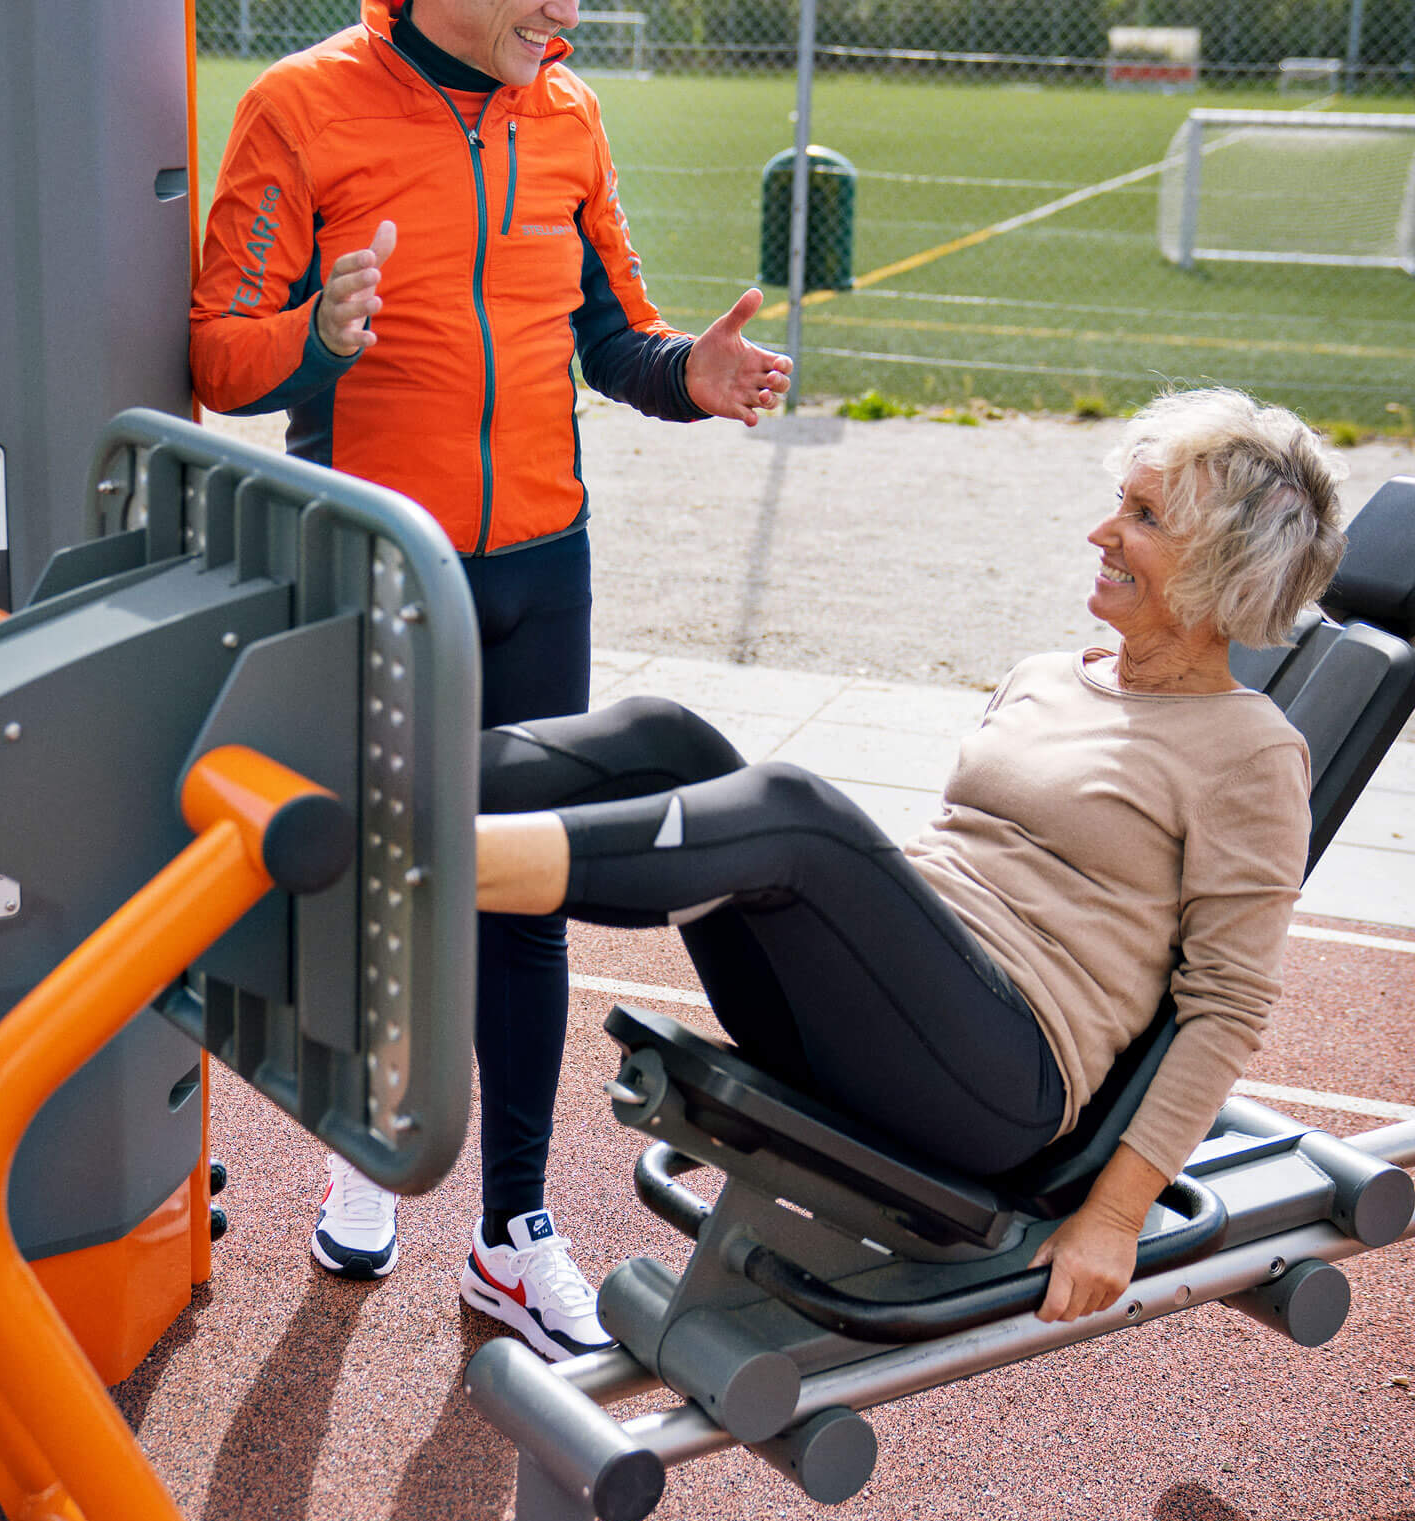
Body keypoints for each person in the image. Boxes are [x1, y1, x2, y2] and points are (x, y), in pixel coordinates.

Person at [190, 0, 791, 1360]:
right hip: (370, 573)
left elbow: (616, 341)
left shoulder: (568, 116)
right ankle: (368, 1139)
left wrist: (692, 377)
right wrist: (320, 339)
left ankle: (515, 1234)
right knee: (365, 874)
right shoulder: (300, 107)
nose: (566, 9)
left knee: (526, 891)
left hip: (541, 571)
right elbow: (219, 358)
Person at [472, 389, 1345, 1324]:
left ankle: (443, 865)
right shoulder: (1047, 676)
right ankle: (396, 796)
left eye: (1144, 517)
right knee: (665, 737)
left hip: (995, 1082)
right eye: (1118, 503)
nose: (1102, 531)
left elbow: (1226, 1007)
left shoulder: (1253, 753)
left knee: (794, 815)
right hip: (877, 1025)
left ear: (1224, 566)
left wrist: (1116, 1216)